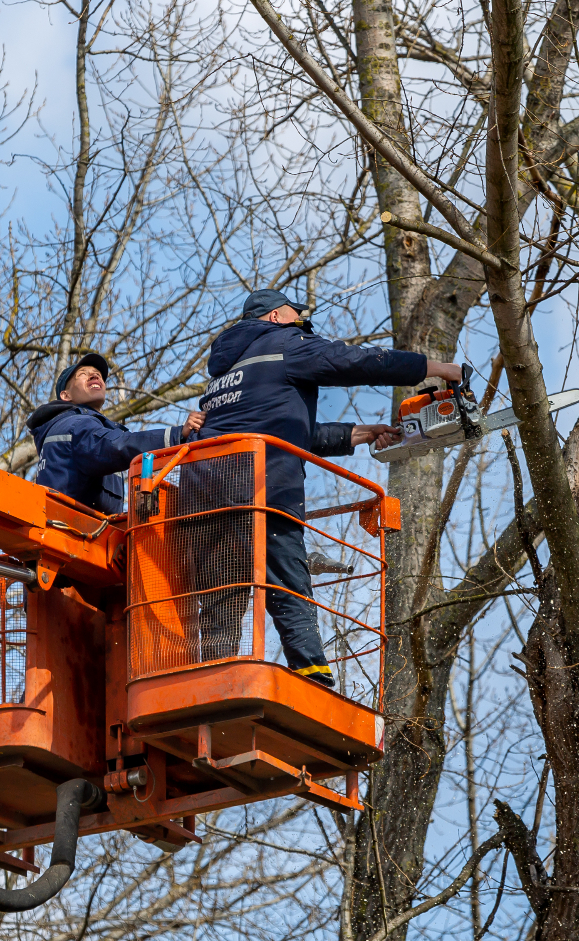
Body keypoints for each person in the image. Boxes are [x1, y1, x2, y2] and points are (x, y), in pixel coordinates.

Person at [193, 289, 461, 687]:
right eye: (294, 314)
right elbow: (357, 361)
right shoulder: (285, 342)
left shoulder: (224, 376)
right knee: (287, 578)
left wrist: (360, 433)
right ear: (273, 317)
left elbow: (281, 428)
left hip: (206, 496)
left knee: (224, 588)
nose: (303, 321)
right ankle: (311, 672)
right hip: (265, 488)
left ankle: (213, 677)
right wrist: (437, 368)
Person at [27, 353, 204, 515]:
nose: (94, 375)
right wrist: (177, 435)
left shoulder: (70, 425)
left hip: (76, 528)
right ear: (65, 396)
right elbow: (117, 446)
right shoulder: (76, 424)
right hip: (71, 530)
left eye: (97, 374)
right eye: (83, 374)